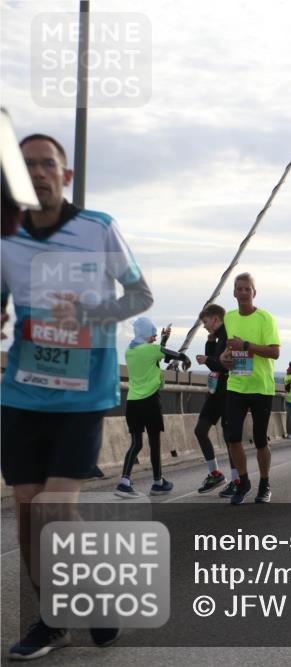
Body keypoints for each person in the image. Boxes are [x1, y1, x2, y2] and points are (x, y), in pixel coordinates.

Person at [1, 133, 152, 658]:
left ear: (65, 176)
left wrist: (89, 315)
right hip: (22, 393)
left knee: (52, 508)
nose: (38, 172)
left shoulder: (98, 228)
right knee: (27, 513)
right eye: (27, 166)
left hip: (84, 395)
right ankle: (54, 619)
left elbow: (141, 294)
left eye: (48, 164)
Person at [219, 272, 281, 505]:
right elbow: (228, 351)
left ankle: (264, 483)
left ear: (254, 293)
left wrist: (245, 345)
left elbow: (274, 352)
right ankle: (243, 481)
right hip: (236, 384)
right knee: (232, 437)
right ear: (234, 292)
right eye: (240, 289)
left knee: (260, 440)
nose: (244, 292)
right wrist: (225, 358)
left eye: (248, 289)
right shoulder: (230, 318)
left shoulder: (265, 318)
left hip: (261, 387)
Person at [114, 319, 190, 498]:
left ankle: (124, 481)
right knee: (154, 443)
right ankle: (157, 482)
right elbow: (173, 355)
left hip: (132, 402)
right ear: (145, 333)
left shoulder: (130, 351)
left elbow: (155, 359)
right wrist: (185, 358)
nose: (155, 337)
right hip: (150, 402)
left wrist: (162, 340)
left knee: (136, 443)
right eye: (153, 334)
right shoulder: (151, 350)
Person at [194, 303, 239, 495]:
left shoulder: (229, 335)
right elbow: (214, 362)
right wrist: (210, 343)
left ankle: (237, 480)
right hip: (216, 393)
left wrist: (207, 360)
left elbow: (225, 364)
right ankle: (215, 473)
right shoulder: (219, 337)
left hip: (229, 392)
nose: (204, 326)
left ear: (215, 318)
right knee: (200, 430)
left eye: (205, 322)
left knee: (230, 438)